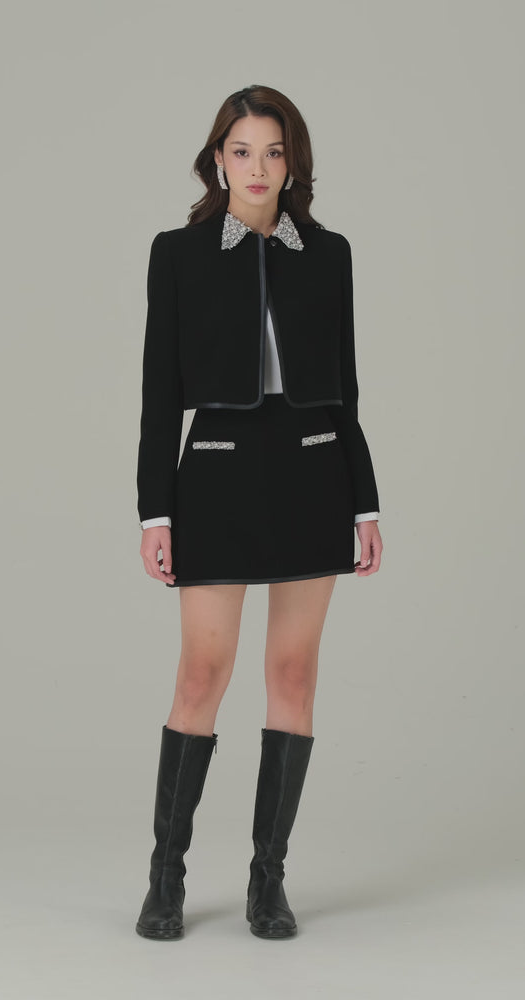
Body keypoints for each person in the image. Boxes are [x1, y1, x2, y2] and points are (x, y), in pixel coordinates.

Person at [134, 85, 383, 940]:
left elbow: (347, 389)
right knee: (201, 675)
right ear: (218, 160)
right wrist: (154, 513)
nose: (258, 167)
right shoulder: (179, 253)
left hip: (314, 472)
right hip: (216, 474)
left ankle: (267, 880)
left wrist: (366, 500)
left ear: (292, 164)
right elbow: (157, 394)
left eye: (274, 152)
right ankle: (166, 875)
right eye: (242, 150)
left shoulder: (330, 253)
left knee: (294, 675)